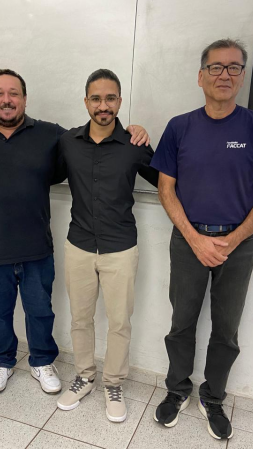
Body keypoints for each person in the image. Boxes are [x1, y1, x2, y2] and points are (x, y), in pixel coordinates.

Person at [0, 69, 149, 395]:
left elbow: (97, 144)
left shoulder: (50, 135)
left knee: (41, 311)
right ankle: (2, 362)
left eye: (14, 93)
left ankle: (42, 361)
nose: (7, 100)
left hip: (37, 247)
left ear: (25, 99)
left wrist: (135, 129)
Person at [151, 39, 253, 439]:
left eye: (233, 67)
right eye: (216, 67)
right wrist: (195, 239)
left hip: (239, 246)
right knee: (181, 322)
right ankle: (177, 390)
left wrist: (232, 240)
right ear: (201, 76)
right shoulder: (179, 127)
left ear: (243, 76)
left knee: (226, 328)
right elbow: (165, 189)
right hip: (188, 241)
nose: (224, 75)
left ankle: (213, 397)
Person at [55, 69, 158, 422]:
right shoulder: (68, 142)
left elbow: (166, 180)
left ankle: (113, 383)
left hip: (120, 249)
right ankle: (84, 376)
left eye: (110, 98)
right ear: (86, 102)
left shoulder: (134, 144)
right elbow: (44, 173)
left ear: (119, 101)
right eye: (96, 99)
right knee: (80, 318)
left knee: (119, 322)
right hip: (79, 245)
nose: (103, 106)